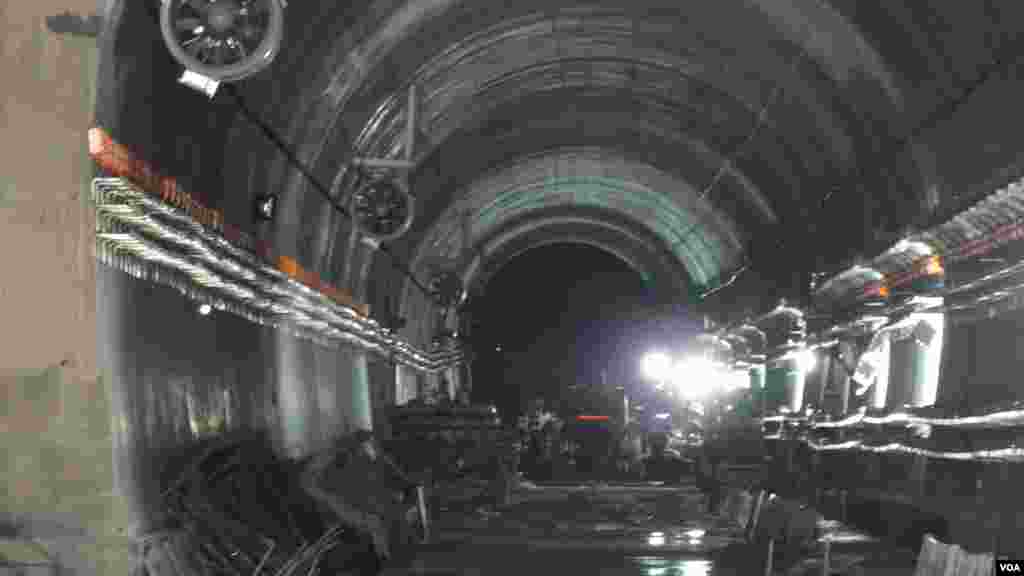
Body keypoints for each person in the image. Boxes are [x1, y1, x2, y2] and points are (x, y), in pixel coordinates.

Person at [301, 430, 421, 564]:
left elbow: (382, 468)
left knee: (387, 514)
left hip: (360, 502)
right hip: (347, 503)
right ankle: (391, 554)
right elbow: (313, 485)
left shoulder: (358, 459)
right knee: (381, 517)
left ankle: (394, 553)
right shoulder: (334, 465)